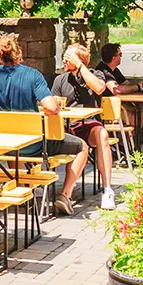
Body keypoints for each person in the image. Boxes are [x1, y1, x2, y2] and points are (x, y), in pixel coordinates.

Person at [0, 34, 88, 216]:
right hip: (33, 144)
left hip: (3, 145)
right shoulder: (32, 75)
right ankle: (65, 195)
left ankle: (23, 189)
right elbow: (51, 108)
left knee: (14, 146)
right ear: (18, 55)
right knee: (83, 146)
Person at [52, 43, 116, 210]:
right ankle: (65, 195)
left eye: (69, 57)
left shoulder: (96, 74)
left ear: (81, 60)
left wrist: (80, 66)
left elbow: (100, 88)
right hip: (67, 127)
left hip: (89, 125)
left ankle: (108, 190)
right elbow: (53, 105)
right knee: (78, 144)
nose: (65, 60)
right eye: (64, 56)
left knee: (102, 134)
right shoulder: (60, 79)